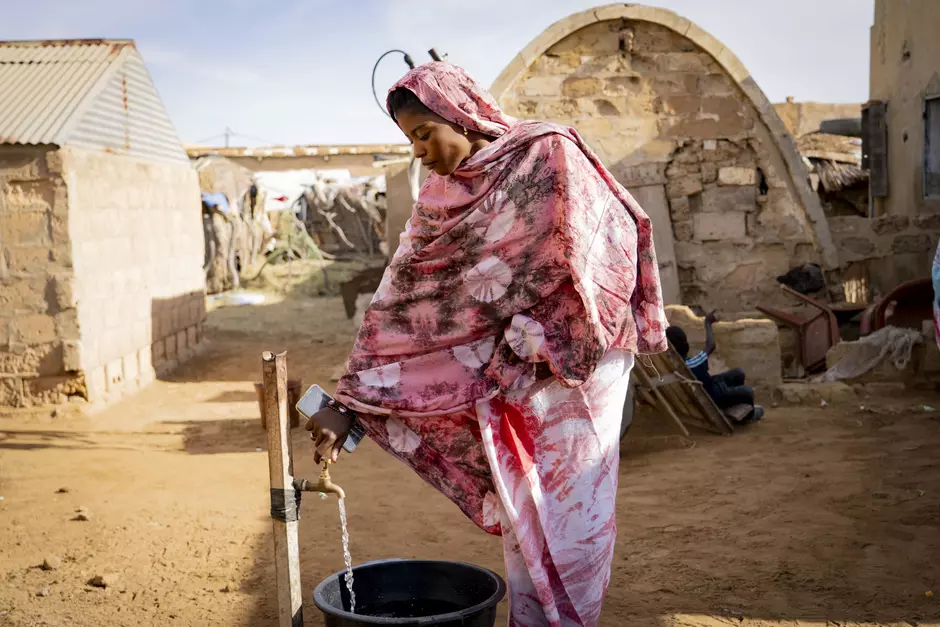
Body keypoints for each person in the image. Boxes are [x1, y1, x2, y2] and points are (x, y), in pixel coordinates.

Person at [305, 62, 668, 626]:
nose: (421, 152)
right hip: (508, 370)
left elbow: (609, 242)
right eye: (410, 141)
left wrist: (552, 330)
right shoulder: (440, 197)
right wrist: (347, 402)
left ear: (459, 114)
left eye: (425, 134)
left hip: (578, 366)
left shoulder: (547, 155)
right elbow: (400, 295)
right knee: (524, 501)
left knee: (573, 509)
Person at [665, 312, 764, 422]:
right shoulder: (692, 364)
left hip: (712, 386)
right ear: (685, 345)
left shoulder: (674, 365)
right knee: (748, 391)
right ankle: (747, 416)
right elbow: (710, 346)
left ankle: (734, 404)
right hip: (715, 395)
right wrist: (707, 323)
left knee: (738, 373)